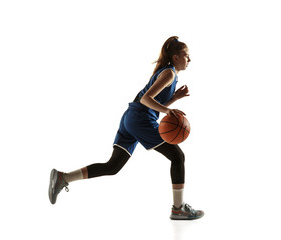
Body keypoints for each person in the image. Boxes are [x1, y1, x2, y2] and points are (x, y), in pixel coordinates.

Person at [48, 36, 204, 220]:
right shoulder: (169, 73)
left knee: (112, 166)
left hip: (131, 118)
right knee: (178, 157)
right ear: (176, 57)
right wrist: (168, 109)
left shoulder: (168, 74)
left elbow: (150, 103)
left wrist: (174, 99)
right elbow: (147, 99)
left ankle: (62, 178)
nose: (190, 60)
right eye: (186, 56)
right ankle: (178, 209)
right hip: (141, 120)